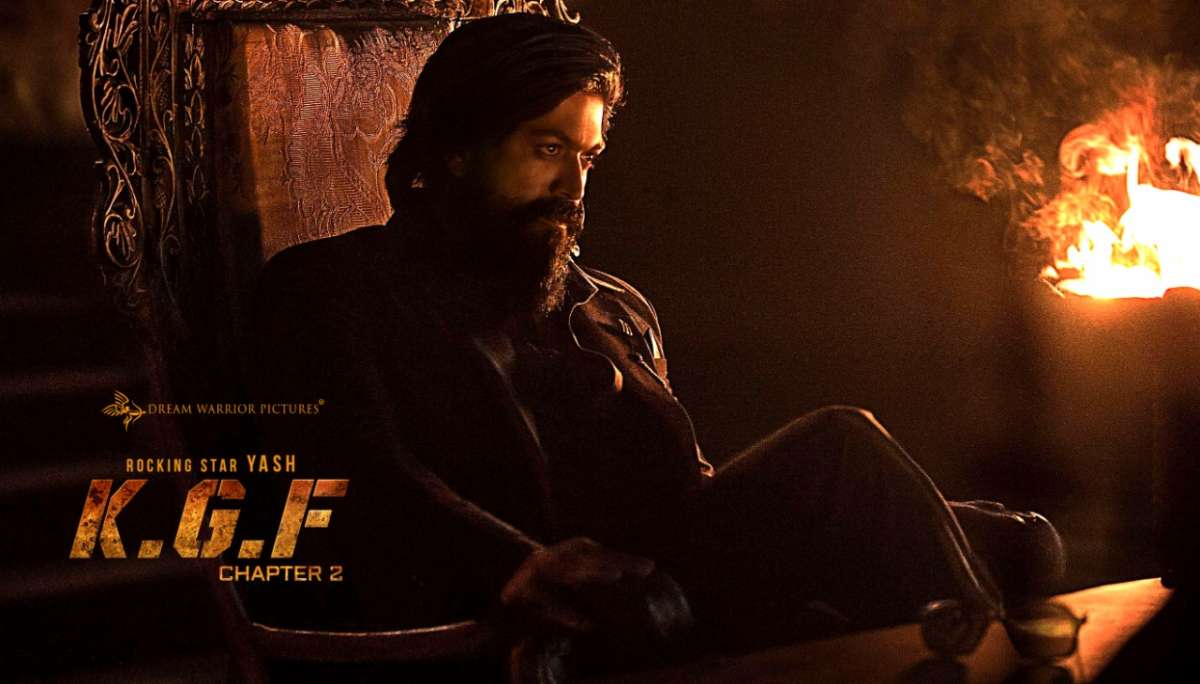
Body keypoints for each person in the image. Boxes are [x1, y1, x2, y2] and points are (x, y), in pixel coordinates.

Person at [244, 12, 1064, 676]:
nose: (573, 187)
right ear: (458, 148)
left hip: (674, 572)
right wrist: (508, 564)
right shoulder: (333, 289)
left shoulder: (609, 306)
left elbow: (690, 484)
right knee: (841, 450)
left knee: (1022, 541)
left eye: (588, 156)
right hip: (552, 606)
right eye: (546, 149)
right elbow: (358, 473)